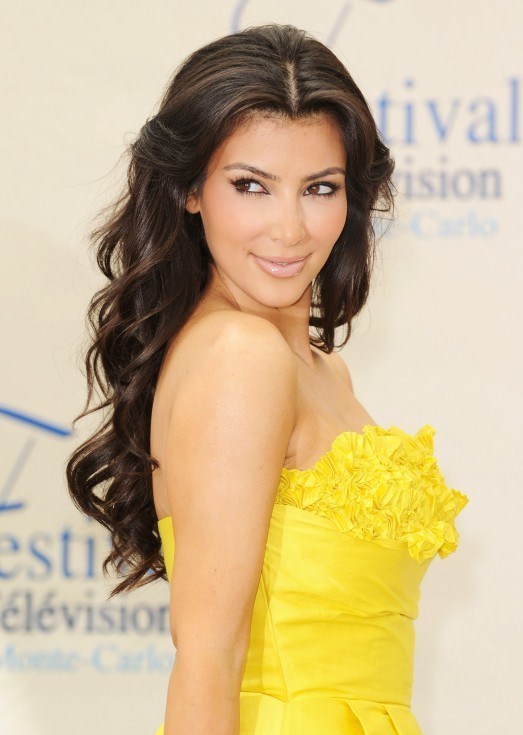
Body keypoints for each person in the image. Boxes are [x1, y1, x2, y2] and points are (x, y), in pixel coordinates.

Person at [66, 23, 470, 735]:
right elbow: (208, 659)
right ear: (190, 190)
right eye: (250, 185)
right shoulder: (239, 355)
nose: (289, 229)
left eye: (319, 188)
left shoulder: (319, 367)